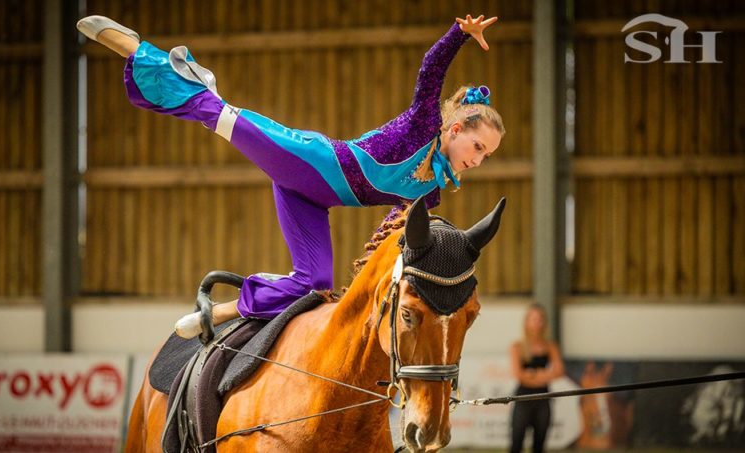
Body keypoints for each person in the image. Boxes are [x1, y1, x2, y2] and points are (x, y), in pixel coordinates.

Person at [76, 14, 506, 330]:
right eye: (478, 146)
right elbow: (431, 69)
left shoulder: (431, 192)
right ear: (455, 128)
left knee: (314, 285)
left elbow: (396, 240)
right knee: (216, 117)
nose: (479, 159)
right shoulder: (423, 123)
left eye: (486, 156)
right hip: (311, 160)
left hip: (311, 200)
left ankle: (221, 312)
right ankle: (140, 51)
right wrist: (459, 35)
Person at [509, 303, 564, 453]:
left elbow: (559, 371)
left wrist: (534, 374)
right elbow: (519, 374)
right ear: (526, 322)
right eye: (533, 318)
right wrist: (543, 375)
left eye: (540, 319)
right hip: (523, 399)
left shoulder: (550, 346)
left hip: (543, 399)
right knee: (516, 443)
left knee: (539, 445)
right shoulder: (518, 347)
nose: (537, 322)